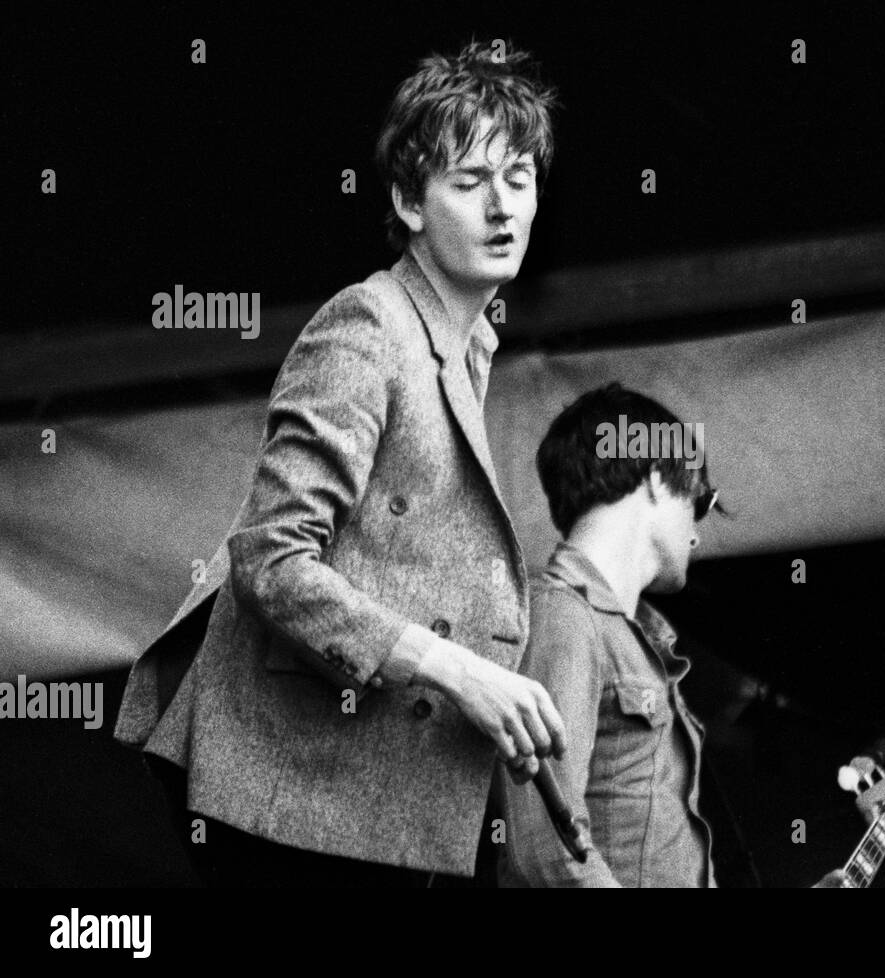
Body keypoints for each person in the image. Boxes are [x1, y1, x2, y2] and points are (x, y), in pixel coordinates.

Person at [114, 40, 565, 886]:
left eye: (520, 177)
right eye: (469, 183)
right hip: (295, 794)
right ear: (408, 199)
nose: (502, 206)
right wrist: (460, 671)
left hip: (372, 795)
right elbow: (272, 558)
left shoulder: (467, 348)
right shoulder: (366, 326)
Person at [497, 383, 845, 887]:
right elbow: (545, 853)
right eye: (700, 502)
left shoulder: (630, 637)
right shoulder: (565, 617)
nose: (698, 533)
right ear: (657, 478)